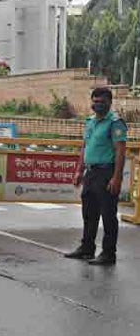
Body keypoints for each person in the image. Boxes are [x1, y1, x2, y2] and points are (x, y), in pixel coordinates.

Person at [65, 87, 127, 266]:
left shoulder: (115, 123)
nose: (97, 105)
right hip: (91, 173)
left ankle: (108, 253)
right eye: (95, 101)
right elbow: (85, 147)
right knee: (88, 213)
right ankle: (87, 248)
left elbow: (120, 152)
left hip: (106, 172)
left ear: (109, 103)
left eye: (101, 102)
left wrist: (116, 177)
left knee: (108, 214)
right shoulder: (90, 121)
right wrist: (79, 170)